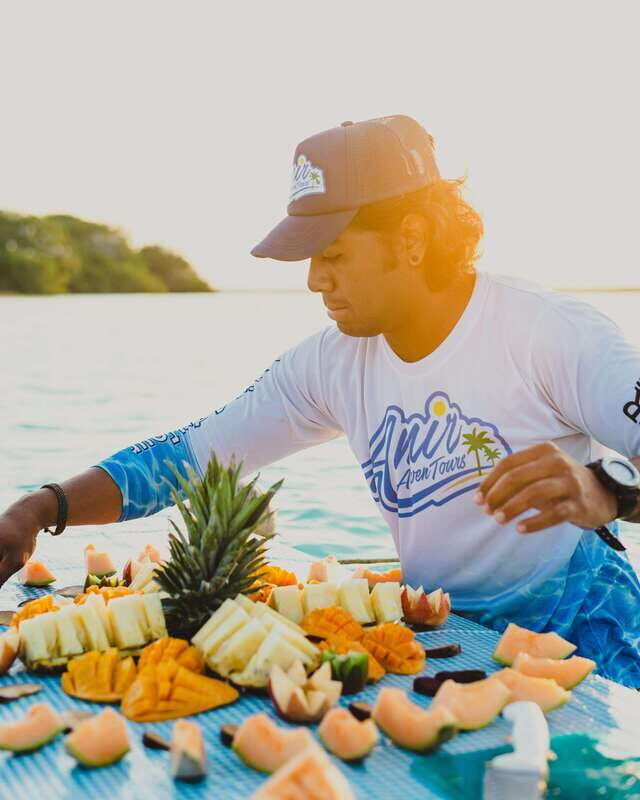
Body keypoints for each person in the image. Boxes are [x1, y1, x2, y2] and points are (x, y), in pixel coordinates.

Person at [1, 115, 639, 686]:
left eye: (333, 253)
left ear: (413, 238)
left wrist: (607, 486)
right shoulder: (331, 362)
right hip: (451, 638)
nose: (314, 279)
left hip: (589, 637)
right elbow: (192, 453)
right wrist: (41, 506)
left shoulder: (548, 332)